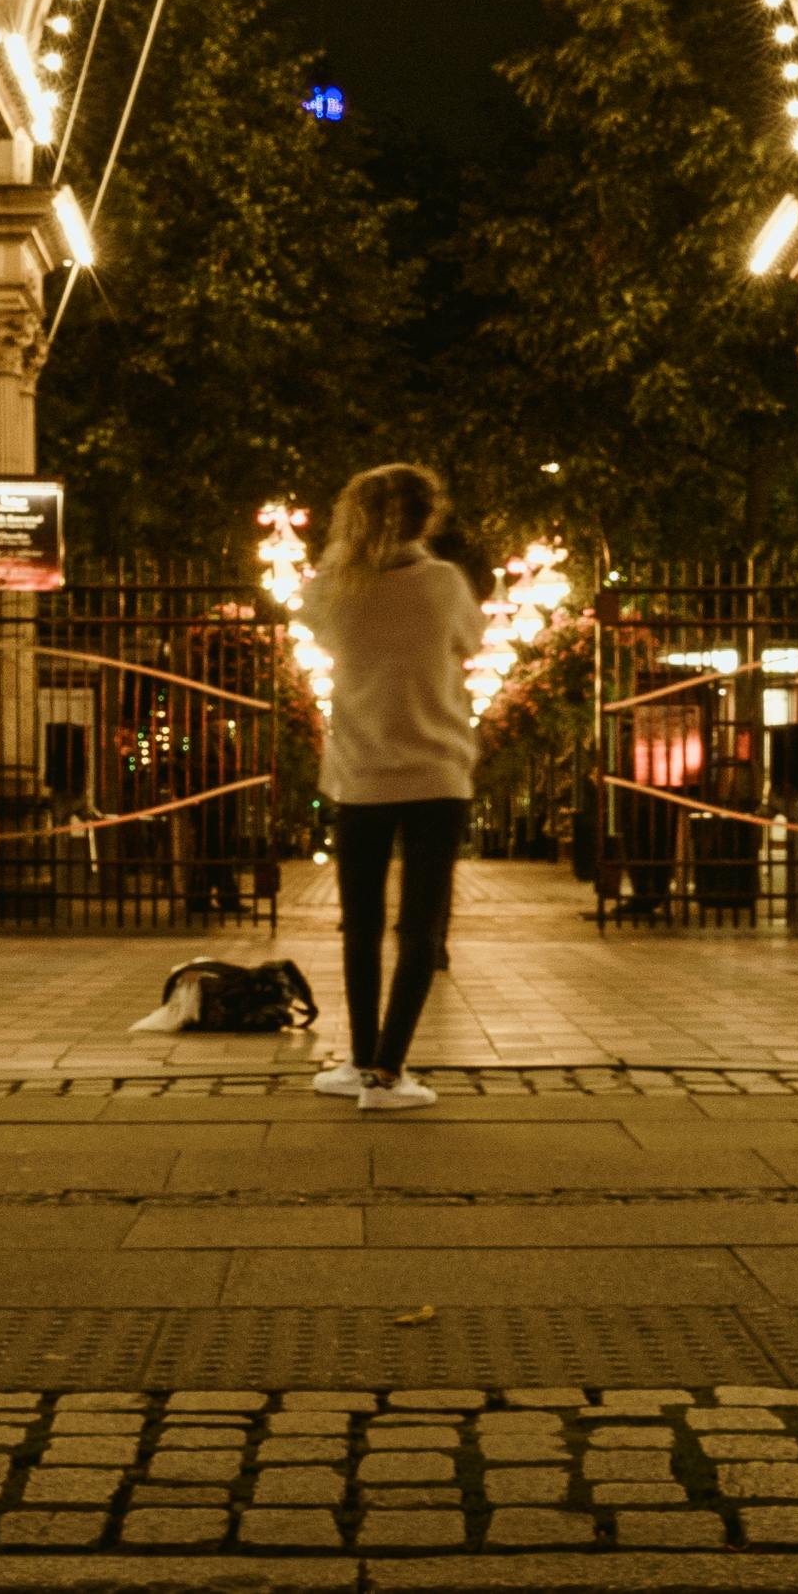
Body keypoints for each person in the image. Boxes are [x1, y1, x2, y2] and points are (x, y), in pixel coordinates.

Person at [294, 458, 480, 1110]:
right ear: (425, 517)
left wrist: (347, 545)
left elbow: (312, 620)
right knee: (419, 929)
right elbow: (468, 642)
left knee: (362, 923)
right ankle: (387, 1075)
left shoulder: (335, 586)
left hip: (360, 774)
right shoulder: (445, 584)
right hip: (436, 773)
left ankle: (358, 1060)